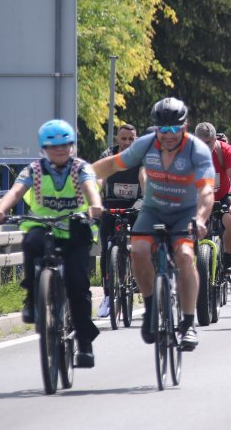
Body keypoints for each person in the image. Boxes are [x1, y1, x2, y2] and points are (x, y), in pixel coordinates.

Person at [92, 98, 214, 351]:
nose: (168, 136)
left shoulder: (196, 150)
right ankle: (150, 308)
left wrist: (200, 219)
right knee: (137, 252)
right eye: (162, 129)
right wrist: (80, 178)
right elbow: (113, 164)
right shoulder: (146, 145)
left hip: (185, 211)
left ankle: (188, 324)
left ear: (185, 126)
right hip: (153, 209)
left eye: (174, 129)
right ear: (155, 128)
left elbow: (206, 193)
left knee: (184, 255)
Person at [0, 120, 103, 368]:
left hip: (75, 228)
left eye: (65, 145)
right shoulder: (34, 169)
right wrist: (0, 209)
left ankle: (84, 343)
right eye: (53, 146)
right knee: (31, 242)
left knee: (77, 284)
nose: (60, 150)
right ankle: (32, 299)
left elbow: (90, 188)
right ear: (44, 148)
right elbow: (16, 191)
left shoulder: (81, 168)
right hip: (44, 225)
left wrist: (95, 206)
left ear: (72, 146)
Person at [195, 122, 231, 292]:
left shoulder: (225, 150)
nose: (205, 146)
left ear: (215, 140)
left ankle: (227, 255)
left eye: (209, 142)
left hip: (223, 196)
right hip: (198, 199)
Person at [96, 123, 140, 318]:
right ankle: (107, 295)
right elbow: (100, 178)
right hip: (111, 203)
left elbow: (144, 176)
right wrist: (94, 199)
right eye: (124, 139)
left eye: (131, 139)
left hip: (135, 203)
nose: (127, 143)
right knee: (107, 248)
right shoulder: (109, 155)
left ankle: (139, 275)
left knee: (142, 241)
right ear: (117, 140)